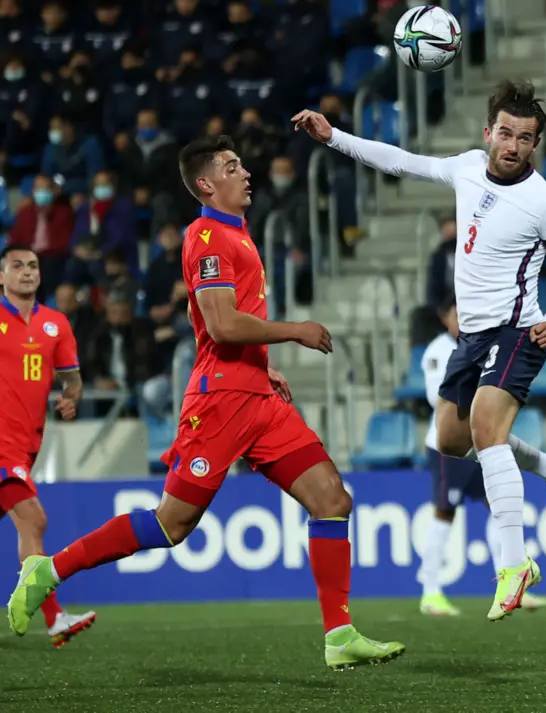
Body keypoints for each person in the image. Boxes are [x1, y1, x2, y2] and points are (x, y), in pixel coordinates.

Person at [7, 135, 405, 670]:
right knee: (172, 525)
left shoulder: (238, 234)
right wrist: (294, 331)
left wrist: (266, 362)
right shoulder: (208, 237)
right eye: (231, 166)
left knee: (332, 499)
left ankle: (339, 635)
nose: (246, 173)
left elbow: (230, 324)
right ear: (205, 184)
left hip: (258, 396)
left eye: (241, 163)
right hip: (219, 401)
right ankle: (49, 571)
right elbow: (220, 324)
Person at [292, 79, 546, 621]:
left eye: (525, 138)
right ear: (488, 132)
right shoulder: (468, 166)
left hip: (517, 330)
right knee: (452, 441)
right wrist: (334, 137)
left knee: (485, 430)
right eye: (505, 133)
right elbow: (400, 160)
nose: (513, 145)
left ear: (535, 144)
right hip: (471, 337)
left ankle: (514, 562)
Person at [418, 297, 546, 616]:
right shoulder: (438, 351)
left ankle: (510, 578)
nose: (462, 319)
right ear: (444, 317)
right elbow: (441, 400)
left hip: (480, 440)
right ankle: (430, 592)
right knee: (444, 513)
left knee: (498, 508)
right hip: (448, 446)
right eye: (456, 314)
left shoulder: (481, 344)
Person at [0, 245, 96, 647]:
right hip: (2, 443)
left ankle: (53, 616)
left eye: (33, 266)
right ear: (1, 275)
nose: (27, 272)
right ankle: (54, 618)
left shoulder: (56, 324)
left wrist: (71, 396)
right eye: (17, 266)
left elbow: (71, 378)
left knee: (29, 526)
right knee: (34, 521)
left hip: (27, 444)